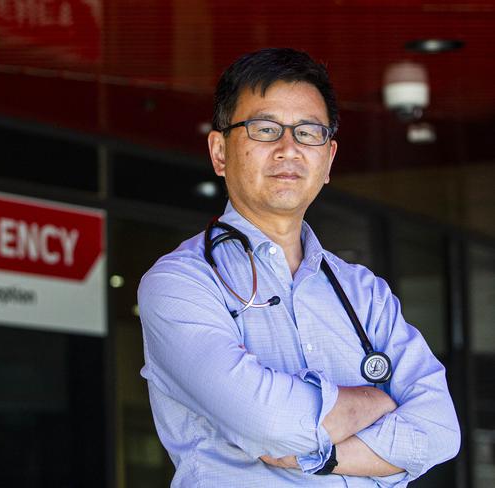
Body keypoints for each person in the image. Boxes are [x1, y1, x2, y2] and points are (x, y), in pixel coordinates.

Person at [137, 48, 460, 486]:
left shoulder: (364, 293)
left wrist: (321, 458)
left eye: (308, 133)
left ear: (328, 159)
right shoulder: (181, 283)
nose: (288, 149)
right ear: (219, 151)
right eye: (265, 129)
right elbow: (269, 423)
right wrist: (377, 402)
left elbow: (440, 432)